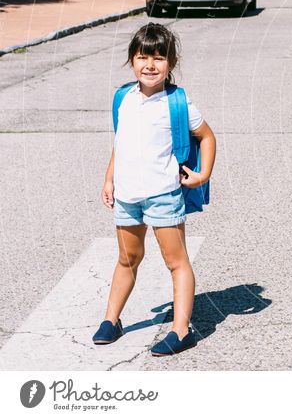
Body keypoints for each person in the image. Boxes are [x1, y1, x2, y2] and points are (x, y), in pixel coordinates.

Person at [93, 23, 216, 356]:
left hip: (164, 193)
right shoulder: (123, 98)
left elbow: (207, 137)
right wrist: (109, 179)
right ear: (132, 60)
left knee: (176, 262)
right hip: (128, 195)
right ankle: (111, 320)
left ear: (170, 64)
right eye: (143, 56)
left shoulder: (178, 102)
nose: (150, 65)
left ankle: (181, 329)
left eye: (159, 58)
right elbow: (122, 143)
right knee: (127, 258)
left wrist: (202, 174)